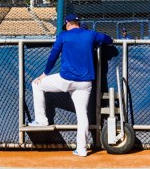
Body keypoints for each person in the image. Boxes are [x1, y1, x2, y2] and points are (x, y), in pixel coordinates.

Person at [29, 13, 113, 157]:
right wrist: (98, 42)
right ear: (78, 23)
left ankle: (41, 120)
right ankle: (81, 149)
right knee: (82, 115)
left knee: (36, 84)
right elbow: (108, 39)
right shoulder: (90, 34)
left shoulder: (63, 35)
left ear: (68, 23)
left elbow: (53, 55)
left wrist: (45, 73)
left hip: (65, 79)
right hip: (84, 82)